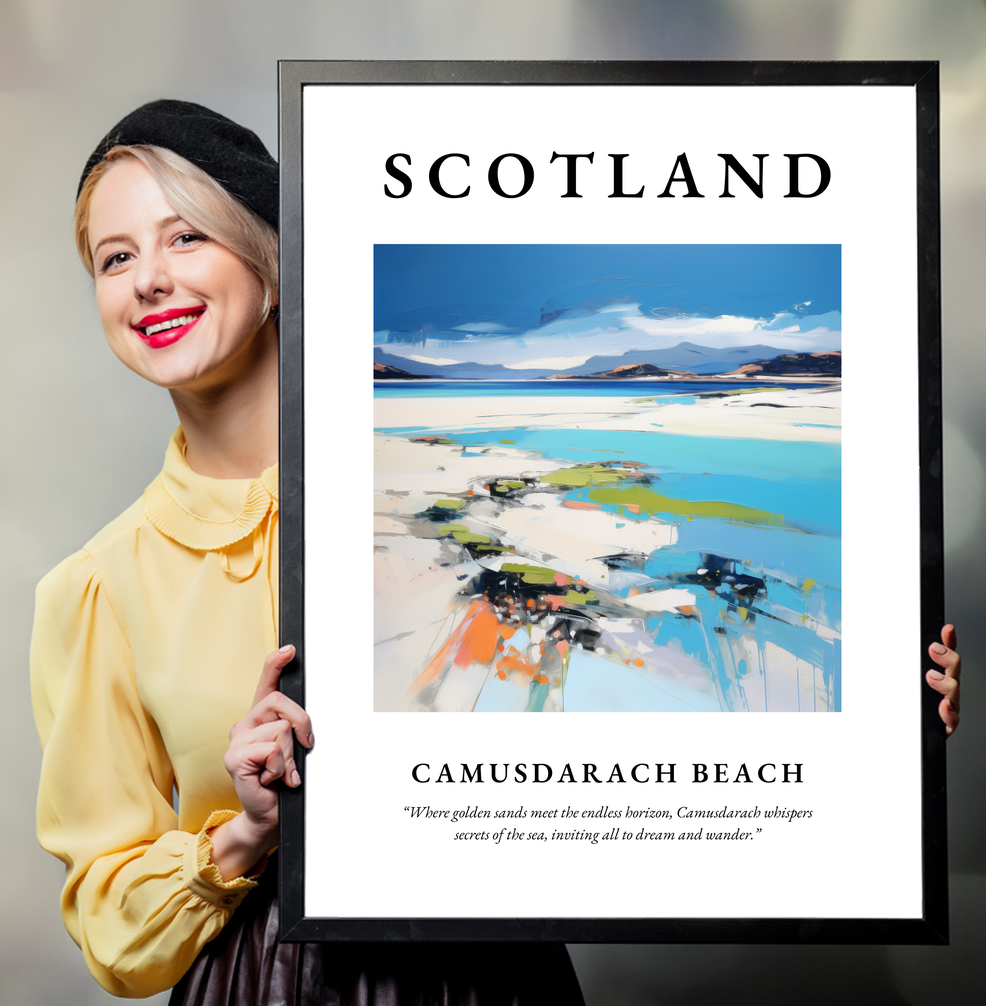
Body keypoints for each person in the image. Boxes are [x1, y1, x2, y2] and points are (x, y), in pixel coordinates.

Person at [30, 100, 586, 1004]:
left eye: (185, 239)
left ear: (273, 263)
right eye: (116, 257)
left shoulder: (448, 501)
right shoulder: (97, 587)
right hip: (262, 982)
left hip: (492, 973)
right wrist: (245, 832)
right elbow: (110, 923)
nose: (148, 281)